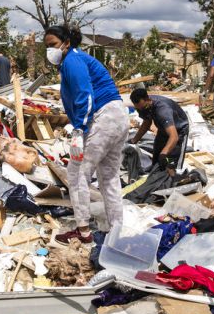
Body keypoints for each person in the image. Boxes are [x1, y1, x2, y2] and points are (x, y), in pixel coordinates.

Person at [44, 25, 129, 245]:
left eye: (52, 45)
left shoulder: (72, 60)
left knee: (77, 172)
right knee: (109, 177)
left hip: (104, 116)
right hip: (118, 115)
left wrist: (79, 129)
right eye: (46, 46)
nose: (49, 51)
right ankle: (116, 230)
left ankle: (83, 231)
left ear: (66, 42)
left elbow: (85, 95)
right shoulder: (75, 60)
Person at [129, 88, 189, 175]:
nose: (141, 110)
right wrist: (134, 140)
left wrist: (164, 153)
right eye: (138, 108)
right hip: (163, 129)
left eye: (143, 108)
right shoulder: (142, 106)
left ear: (148, 100)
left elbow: (174, 136)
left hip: (179, 130)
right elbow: (147, 122)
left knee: (171, 162)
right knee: (157, 159)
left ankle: (173, 178)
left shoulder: (162, 110)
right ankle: (158, 176)